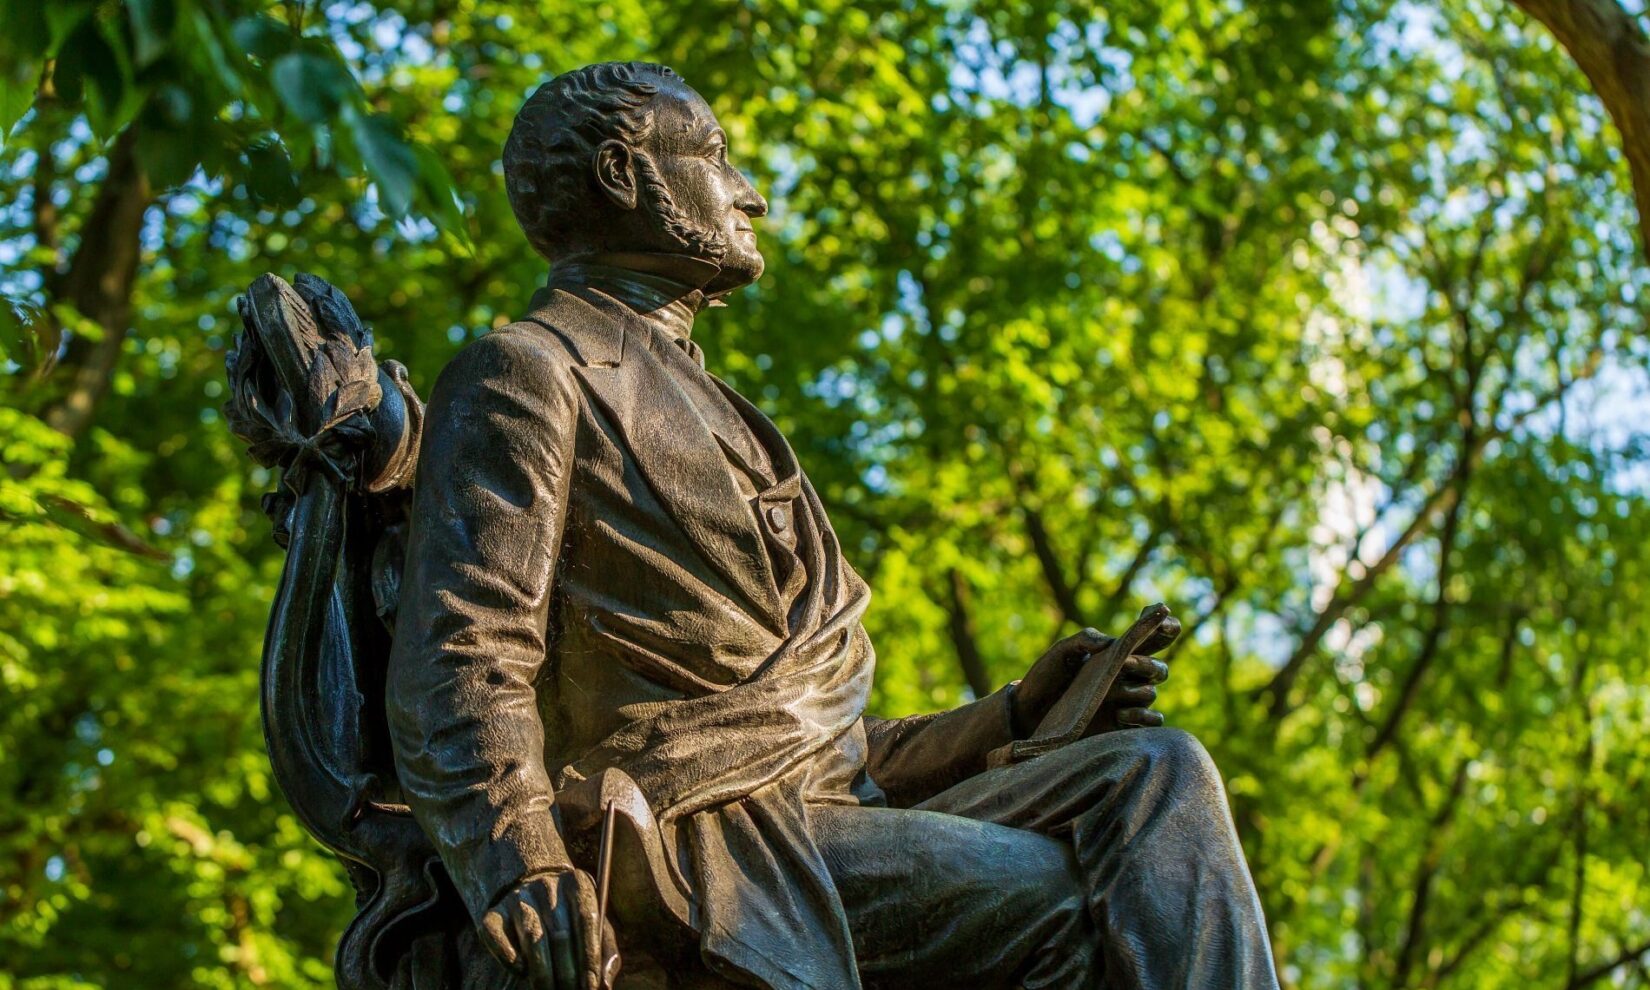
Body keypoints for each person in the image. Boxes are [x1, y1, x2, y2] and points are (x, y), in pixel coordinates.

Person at [385, 61, 1279, 990]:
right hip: (702, 836)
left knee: (1158, 772)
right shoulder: (528, 370)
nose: (751, 196)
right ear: (623, 174)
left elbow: (824, 743)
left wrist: (1011, 714)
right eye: (718, 158)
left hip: (820, 814)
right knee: (1075, 900)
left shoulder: (734, 418)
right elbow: (460, 654)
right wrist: (523, 865)